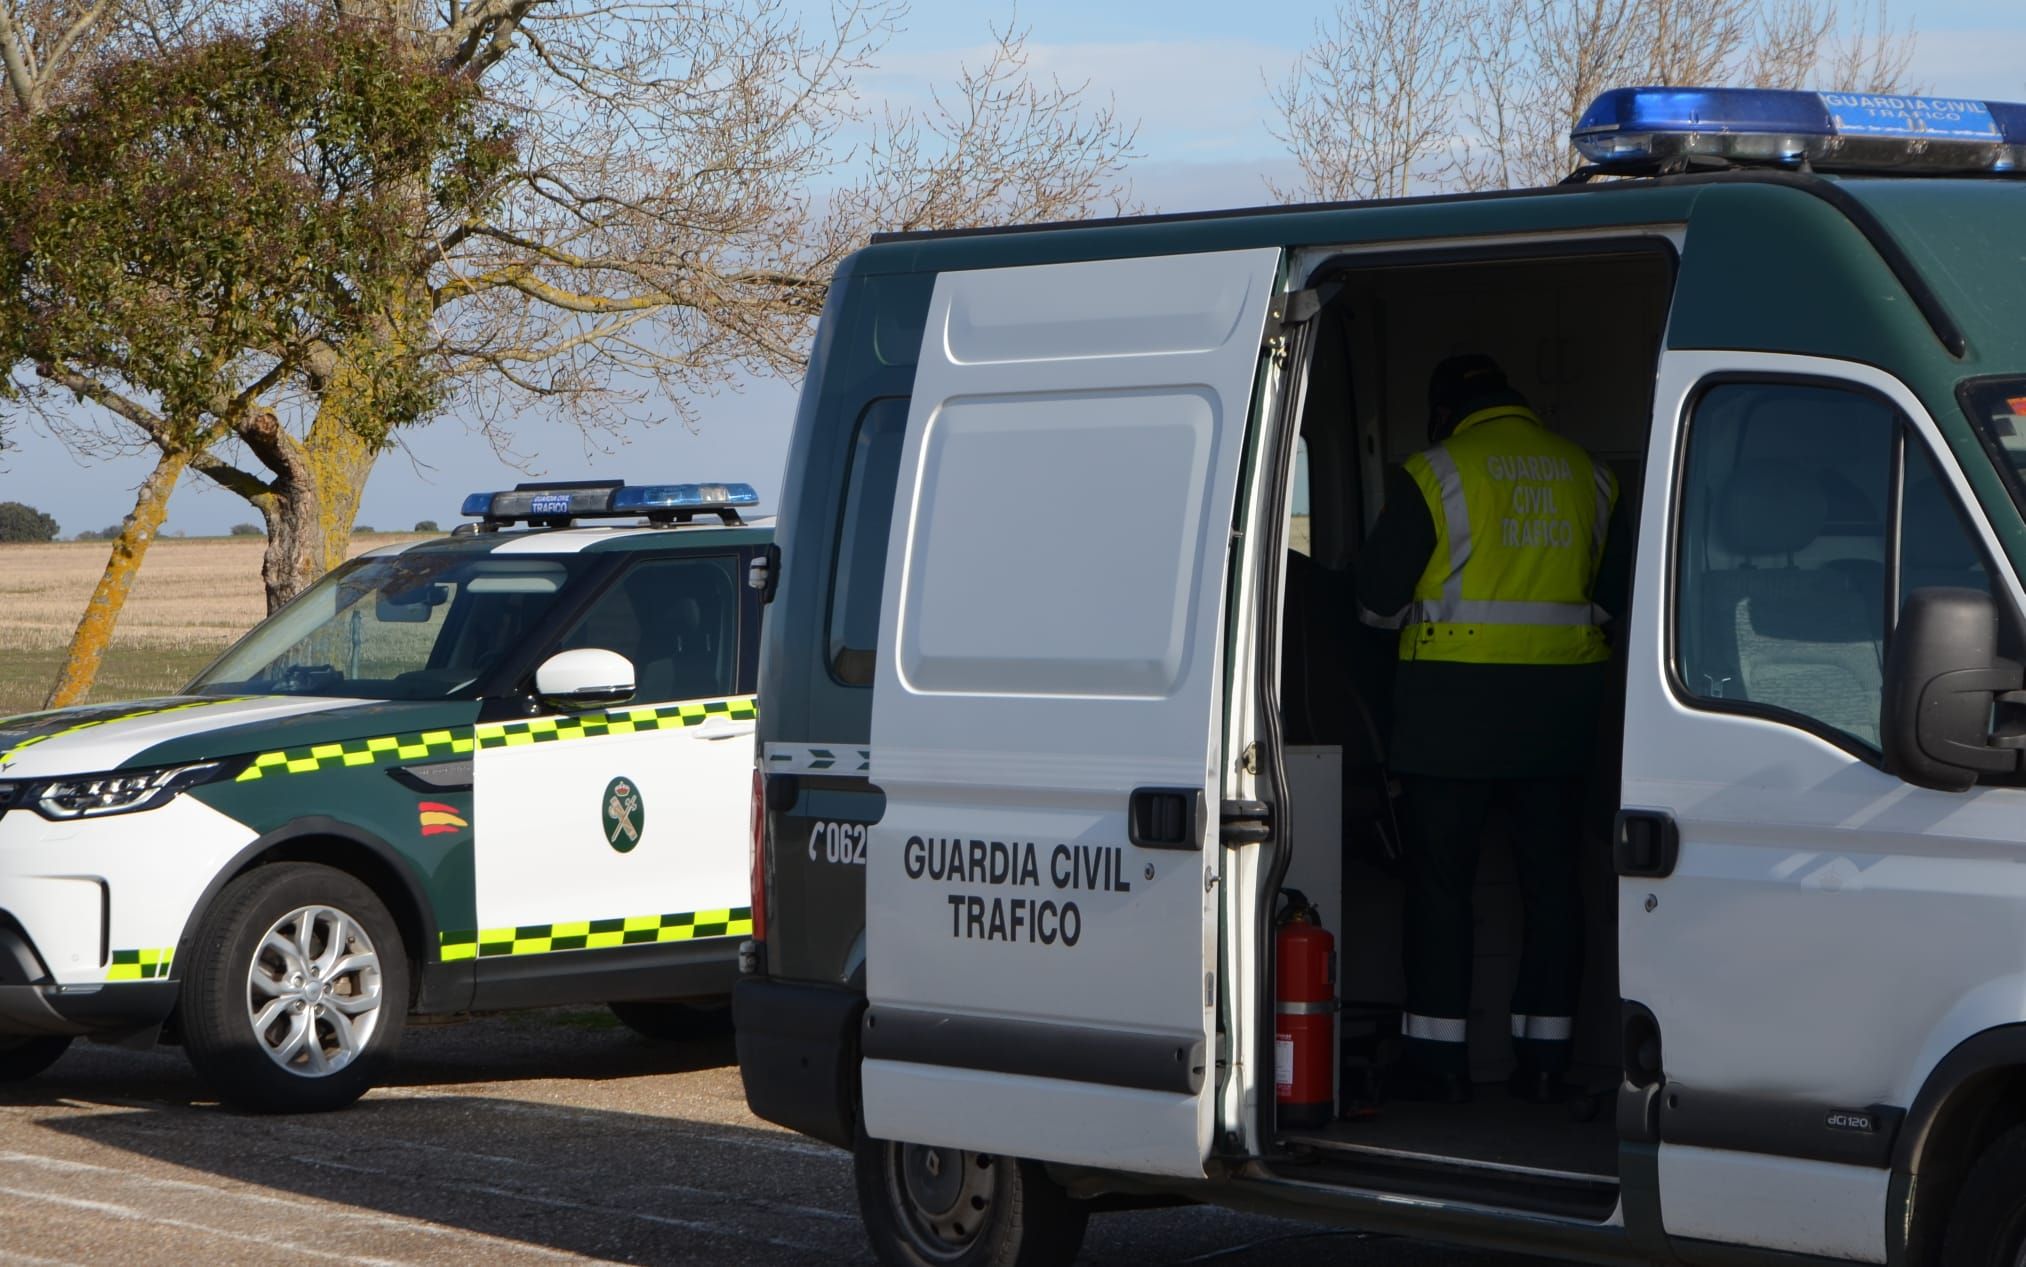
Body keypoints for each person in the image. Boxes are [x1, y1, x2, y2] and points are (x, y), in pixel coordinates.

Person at [1355, 354, 1630, 1104]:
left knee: (1441, 889)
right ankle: (1547, 1062)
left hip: (1450, 719)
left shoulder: (1431, 473)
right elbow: (1611, 601)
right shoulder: (1592, 475)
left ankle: (1440, 1066)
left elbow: (1375, 608)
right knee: (1552, 890)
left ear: (1445, 411)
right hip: (1561, 718)